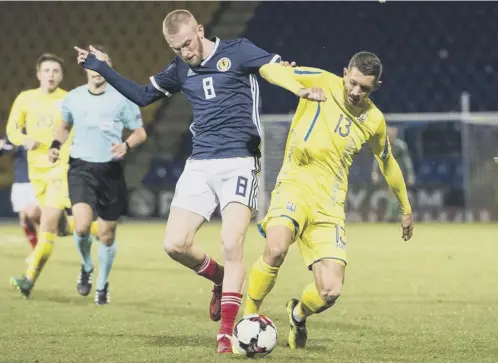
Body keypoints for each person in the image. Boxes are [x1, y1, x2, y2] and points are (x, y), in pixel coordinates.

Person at [73, 9, 291, 353]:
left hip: (239, 160)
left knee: (232, 245)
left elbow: (278, 69)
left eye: (187, 44)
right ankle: (219, 279)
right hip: (200, 164)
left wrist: (300, 83)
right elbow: (144, 96)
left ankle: (226, 334)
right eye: (177, 49)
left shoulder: (239, 50)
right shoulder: (179, 70)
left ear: (200, 31)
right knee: (174, 244)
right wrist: (101, 68)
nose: (185, 52)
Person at [242, 52, 414, 349]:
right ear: (345, 72)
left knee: (331, 290)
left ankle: (297, 313)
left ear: (377, 87)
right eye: (353, 83)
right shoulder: (320, 80)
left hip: (329, 205)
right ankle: (248, 320)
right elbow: (269, 70)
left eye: (365, 89)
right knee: (276, 247)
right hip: (294, 184)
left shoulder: (374, 120)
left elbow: (387, 162)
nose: (356, 92)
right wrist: (298, 89)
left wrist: (406, 208)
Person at [50, 45, 146, 305]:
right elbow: (64, 126)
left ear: (108, 68)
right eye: (92, 64)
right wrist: (55, 146)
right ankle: (86, 266)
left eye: (101, 63)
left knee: (106, 234)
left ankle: (102, 285)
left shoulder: (121, 98)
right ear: (86, 69)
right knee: (81, 227)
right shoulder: (74, 97)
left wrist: (126, 145)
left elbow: (139, 132)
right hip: (81, 167)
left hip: (110, 171)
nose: (96, 69)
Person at [7, 53, 99, 298]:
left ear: (61, 75)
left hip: (62, 169)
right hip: (36, 172)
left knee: (46, 222)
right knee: (58, 227)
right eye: (46, 70)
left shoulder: (69, 99)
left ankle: (29, 279)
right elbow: (11, 129)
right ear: (39, 74)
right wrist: (24, 140)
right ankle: (98, 229)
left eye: (56, 71)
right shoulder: (25, 99)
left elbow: (78, 130)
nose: (51, 75)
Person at [0, 136, 40, 260]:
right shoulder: (13, 135)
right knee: (24, 219)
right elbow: (3, 150)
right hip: (19, 182)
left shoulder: (37, 130)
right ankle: (36, 249)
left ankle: (54, 230)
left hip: (35, 180)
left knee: (33, 213)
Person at [371, 125, 415, 221]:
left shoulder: (401, 146)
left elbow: (407, 162)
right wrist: (374, 173)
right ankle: (392, 216)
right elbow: (377, 159)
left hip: (398, 175)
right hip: (386, 175)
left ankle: (391, 216)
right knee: (392, 196)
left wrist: (410, 174)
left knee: (395, 195)